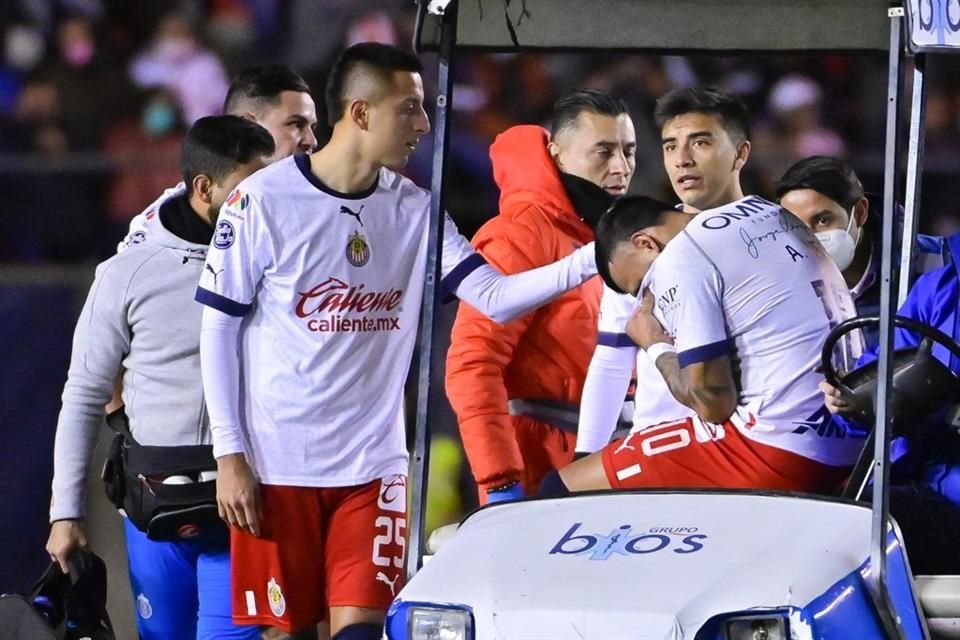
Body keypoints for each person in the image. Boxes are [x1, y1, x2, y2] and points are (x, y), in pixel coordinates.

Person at [194, 43, 599, 639]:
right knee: (288, 633)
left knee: (362, 631)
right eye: (409, 108)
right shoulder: (261, 202)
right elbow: (219, 328)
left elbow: (496, 295)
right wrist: (230, 455)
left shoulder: (414, 209)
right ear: (360, 113)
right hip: (277, 467)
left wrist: (595, 258)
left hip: (374, 468)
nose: (425, 124)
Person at [46, 115, 275, 640]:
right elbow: (82, 394)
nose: (262, 202)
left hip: (245, 507)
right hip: (154, 506)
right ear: (204, 188)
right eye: (249, 187)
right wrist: (65, 512)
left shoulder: (280, 263)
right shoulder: (128, 272)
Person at [546, 194, 862, 497]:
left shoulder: (681, 256)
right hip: (853, 435)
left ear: (646, 244)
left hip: (778, 450)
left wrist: (655, 345)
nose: (648, 301)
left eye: (643, 286)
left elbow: (714, 405)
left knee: (560, 489)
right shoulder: (763, 210)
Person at [444, 89, 636, 504]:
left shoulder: (609, 232)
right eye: (603, 152)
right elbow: (474, 363)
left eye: (629, 151)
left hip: (611, 459)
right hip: (543, 467)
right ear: (558, 154)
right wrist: (500, 480)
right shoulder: (522, 234)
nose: (621, 167)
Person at [576, 87, 754, 452]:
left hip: (744, 442)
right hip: (660, 443)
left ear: (741, 153)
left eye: (700, 143)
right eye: (670, 146)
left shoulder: (770, 238)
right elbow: (612, 359)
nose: (681, 160)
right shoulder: (637, 243)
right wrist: (586, 453)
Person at [820, 233, 960, 574]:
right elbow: (882, 370)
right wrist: (850, 403)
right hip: (929, 484)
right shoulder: (942, 288)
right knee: (831, 520)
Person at [119, 63, 317, 251]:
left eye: (313, 127)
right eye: (295, 124)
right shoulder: (156, 235)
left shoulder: (322, 211)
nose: (312, 141)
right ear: (249, 125)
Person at [776, 155, 948, 350]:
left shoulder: (936, 265)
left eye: (823, 220)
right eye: (796, 226)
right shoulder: (784, 290)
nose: (809, 239)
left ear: (859, 213)